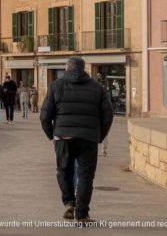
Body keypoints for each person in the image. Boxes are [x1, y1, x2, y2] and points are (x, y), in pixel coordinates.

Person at [40, 57, 113, 225]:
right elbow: (108, 114)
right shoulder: (97, 87)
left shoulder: (56, 86)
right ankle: (82, 215)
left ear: (67, 68)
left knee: (64, 171)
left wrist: (52, 136)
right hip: (88, 139)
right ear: (84, 68)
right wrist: (99, 135)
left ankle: (69, 203)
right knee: (86, 176)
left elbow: (44, 116)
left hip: (63, 137)